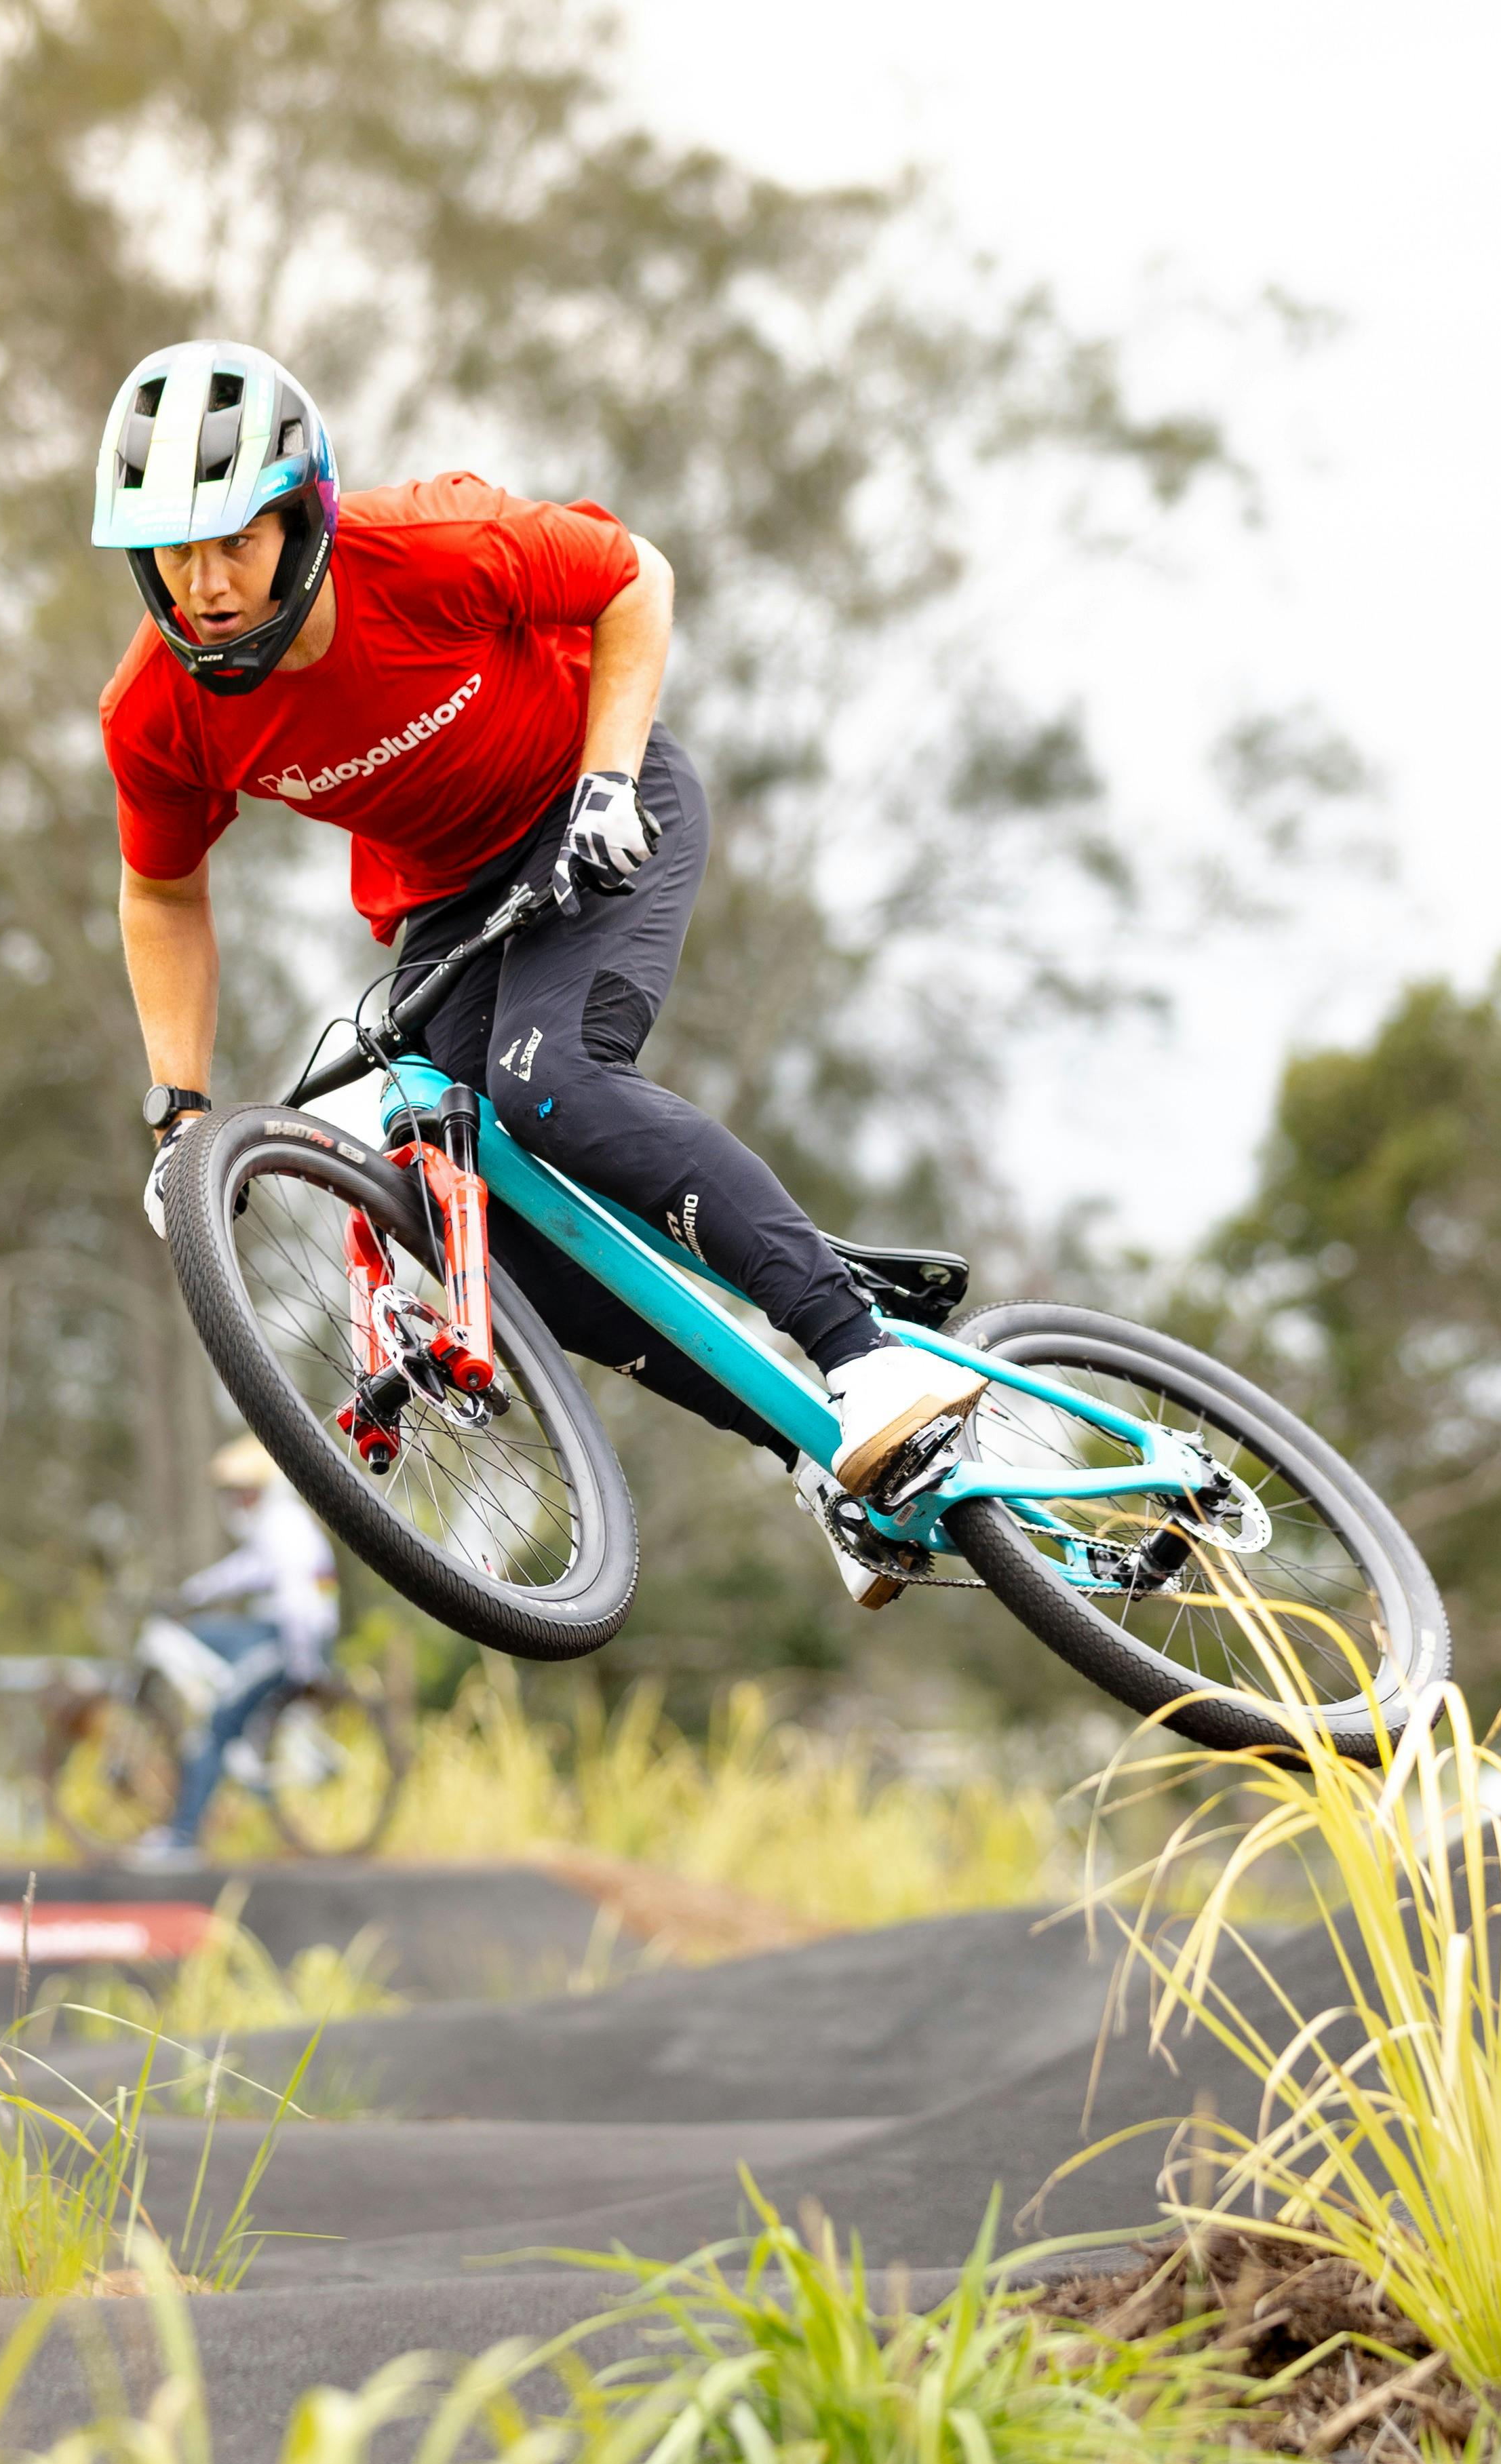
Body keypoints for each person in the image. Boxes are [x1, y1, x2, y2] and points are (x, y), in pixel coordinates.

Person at [91, 339, 986, 1567]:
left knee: (545, 1078)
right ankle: (815, 1449)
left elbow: (634, 579)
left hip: (595, 803)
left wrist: (607, 783)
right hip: (447, 896)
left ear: (302, 515)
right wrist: (179, 1114)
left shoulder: (431, 548)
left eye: (232, 540)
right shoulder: (156, 709)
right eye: (172, 554)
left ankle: (862, 1358)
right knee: (460, 1210)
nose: (205, 586)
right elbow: (161, 892)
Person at [136, 1434, 342, 1866]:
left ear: (265, 1489)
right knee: (202, 1634)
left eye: (244, 1492)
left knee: (213, 1732)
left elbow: (296, 1599)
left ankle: (182, 1840)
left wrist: (304, 1667)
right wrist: (191, 1596)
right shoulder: (278, 1524)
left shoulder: (283, 1525)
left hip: (289, 1641)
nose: (237, 1502)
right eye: (233, 1493)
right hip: (274, 1633)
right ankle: (242, 1742)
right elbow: (243, 1571)